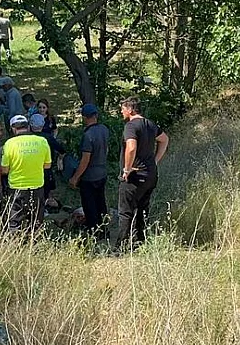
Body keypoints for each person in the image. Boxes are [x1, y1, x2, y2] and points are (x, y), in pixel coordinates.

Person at [114, 97, 170, 251]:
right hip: (150, 175)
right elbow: (164, 140)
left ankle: (121, 248)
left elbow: (131, 148)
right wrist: (155, 160)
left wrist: (127, 168)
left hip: (135, 176)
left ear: (130, 109)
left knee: (125, 211)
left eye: (123, 108)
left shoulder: (131, 126)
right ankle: (140, 243)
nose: (121, 111)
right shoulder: (150, 124)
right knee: (142, 209)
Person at [0, 115, 52, 234]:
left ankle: (15, 246)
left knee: (14, 221)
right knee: (36, 221)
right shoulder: (42, 141)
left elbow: (4, 170)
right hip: (37, 187)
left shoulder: (9, 144)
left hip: (17, 188)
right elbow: (47, 166)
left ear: (13, 129)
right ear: (28, 126)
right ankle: (34, 245)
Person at [69, 104, 110, 237]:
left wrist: (75, 177)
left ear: (84, 118)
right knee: (101, 202)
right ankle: (105, 230)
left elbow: (85, 159)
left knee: (90, 205)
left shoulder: (87, 135)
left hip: (89, 176)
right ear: (96, 115)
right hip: (102, 172)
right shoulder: (104, 129)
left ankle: (94, 232)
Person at [29, 113, 65, 208]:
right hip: (46, 167)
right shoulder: (48, 137)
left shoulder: (26, 138)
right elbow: (61, 149)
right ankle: (43, 207)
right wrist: (60, 159)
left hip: (30, 168)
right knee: (46, 189)